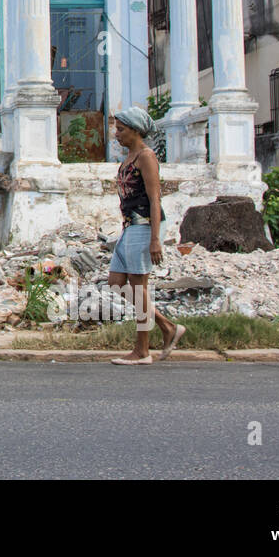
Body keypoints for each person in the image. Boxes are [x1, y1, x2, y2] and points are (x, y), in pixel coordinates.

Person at [107, 106, 185, 365]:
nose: (116, 134)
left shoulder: (145, 156)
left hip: (143, 226)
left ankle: (142, 351)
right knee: (116, 282)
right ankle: (167, 327)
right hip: (129, 227)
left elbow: (155, 198)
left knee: (139, 288)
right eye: (116, 129)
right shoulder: (129, 157)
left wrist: (155, 238)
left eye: (121, 129)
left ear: (136, 131)